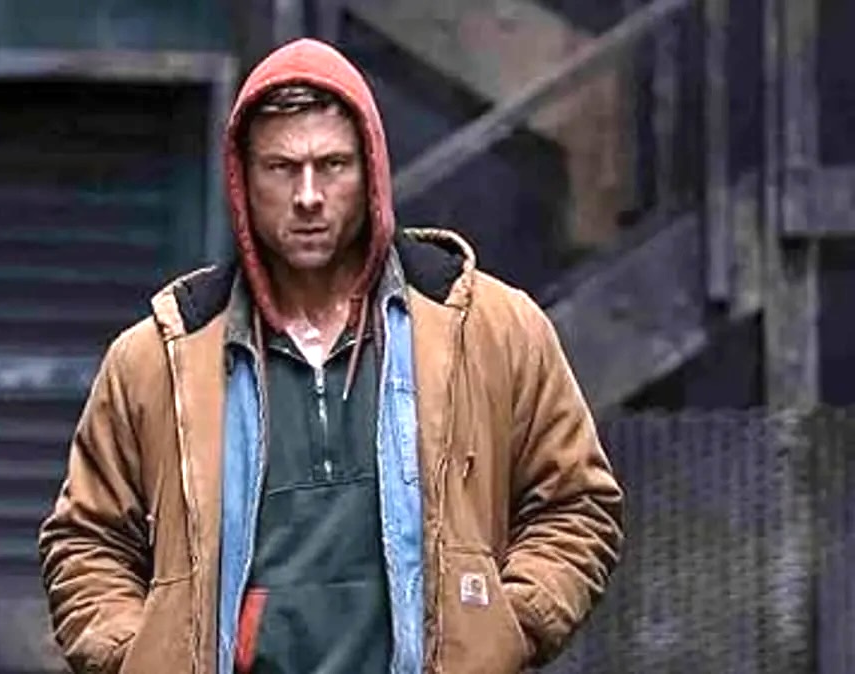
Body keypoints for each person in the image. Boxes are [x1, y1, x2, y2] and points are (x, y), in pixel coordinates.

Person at [38, 38, 623, 674]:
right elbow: (85, 543)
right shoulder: (160, 358)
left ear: (371, 171)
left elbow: (576, 504)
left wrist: (504, 629)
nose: (309, 195)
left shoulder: (491, 329)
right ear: (242, 180)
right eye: (281, 168)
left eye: (333, 165)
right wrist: (143, 655)